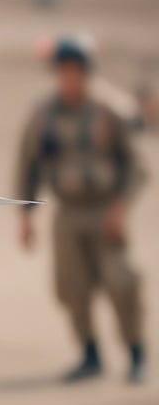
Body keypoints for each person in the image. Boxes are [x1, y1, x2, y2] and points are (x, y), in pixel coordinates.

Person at [16, 38, 146, 384]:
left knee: (121, 283)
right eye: (64, 71)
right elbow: (27, 165)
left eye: (76, 71)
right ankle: (90, 354)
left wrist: (121, 209)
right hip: (68, 212)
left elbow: (137, 166)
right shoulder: (44, 115)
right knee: (71, 286)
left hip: (105, 209)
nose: (70, 78)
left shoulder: (111, 110)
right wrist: (26, 215)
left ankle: (136, 354)